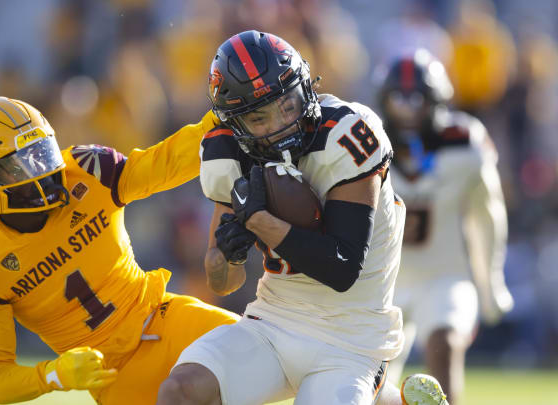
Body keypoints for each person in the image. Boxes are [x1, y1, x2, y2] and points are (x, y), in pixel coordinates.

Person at [157, 30, 449, 405]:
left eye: (288, 103)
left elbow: (342, 267)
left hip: (352, 340)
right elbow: (223, 283)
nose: (282, 121)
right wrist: (227, 254)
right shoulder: (227, 153)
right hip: (273, 320)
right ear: (237, 123)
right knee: (180, 391)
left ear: (305, 86)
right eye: (261, 116)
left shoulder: (346, 135)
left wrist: (262, 222)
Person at [0, 96, 240, 405]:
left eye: (41, 152)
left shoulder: (87, 170)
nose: (40, 169)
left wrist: (225, 118)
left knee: (263, 348)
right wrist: (53, 374)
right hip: (115, 375)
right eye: (18, 165)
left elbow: (165, 162)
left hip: (164, 318)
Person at [376, 49, 513, 404]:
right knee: (371, 380)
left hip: (445, 274)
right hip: (384, 282)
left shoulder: (465, 143)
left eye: (416, 100)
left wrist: (490, 279)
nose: (406, 111)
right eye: (398, 100)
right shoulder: (369, 141)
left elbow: (488, 214)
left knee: (445, 342)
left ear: (436, 102)